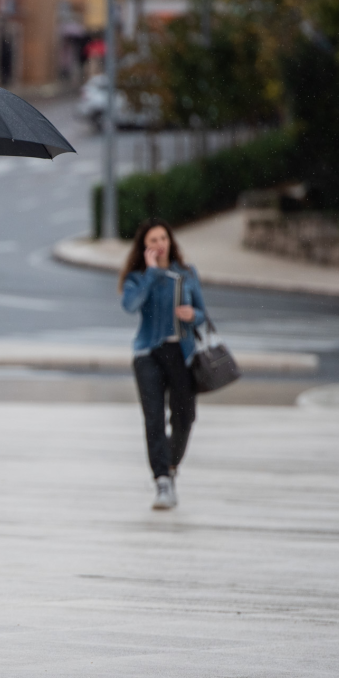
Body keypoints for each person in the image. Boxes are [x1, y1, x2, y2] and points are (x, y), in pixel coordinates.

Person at [120, 218, 206, 510]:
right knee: (154, 418)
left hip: (180, 353)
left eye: (163, 239)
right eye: (152, 241)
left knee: (185, 417)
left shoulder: (186, 274)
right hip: (148, 354)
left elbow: (203, 313)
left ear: (171, 241)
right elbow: (130, 305)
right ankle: (162, 483)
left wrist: (192, 315)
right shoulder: (138, 277)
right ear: (144, 247)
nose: (159, 245)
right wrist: (152, 274)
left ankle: (170, 466)